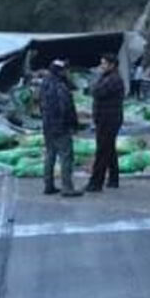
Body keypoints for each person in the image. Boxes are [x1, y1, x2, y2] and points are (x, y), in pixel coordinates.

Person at [39, 60, 83, 197]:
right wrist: (74, 124)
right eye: (66, 70)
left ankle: (48, 184)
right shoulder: (60, 87)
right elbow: (66, 108)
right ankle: (67, 187)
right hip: (60, 126)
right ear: (61, 71)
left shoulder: (44, 84)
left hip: (48, 125)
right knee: (66, 156)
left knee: (50, 154)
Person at [86, 53, 125, 192]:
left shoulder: (113, 80)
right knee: (109, 150)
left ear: (111, 65)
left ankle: (96, 182)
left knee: (102, 151)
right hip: (107, 118)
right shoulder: (108, 78)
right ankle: (114, 179)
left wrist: (95, 78)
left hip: (108, 119)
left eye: (103, 64)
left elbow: (96, 91)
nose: (101, 67)